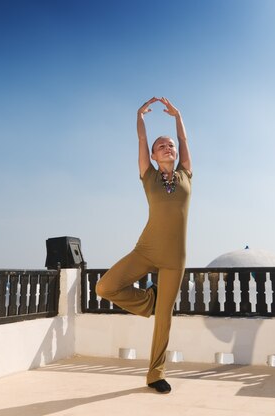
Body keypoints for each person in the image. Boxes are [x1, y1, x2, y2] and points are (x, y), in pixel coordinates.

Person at [96, 96, 192, 394]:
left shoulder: (186, 174)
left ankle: (155, 374)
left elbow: (184, 137)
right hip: (146, 249)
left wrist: (178, 116)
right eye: (160, 145)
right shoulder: (148, 176)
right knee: (104, 287)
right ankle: (148, 301)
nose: (167, 147)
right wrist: (140, 115)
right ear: (152, 156)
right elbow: (141, 137)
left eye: (170, 145)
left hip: (174, 259)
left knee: (164, 320)